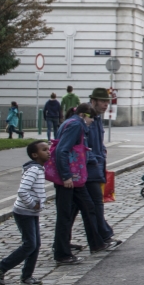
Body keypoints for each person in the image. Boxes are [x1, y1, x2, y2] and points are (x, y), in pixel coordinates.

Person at [0, 140, 50, 285]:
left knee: (35, 244)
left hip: (31, 212)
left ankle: (27, 276)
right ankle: (0, 268)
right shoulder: (34, 170)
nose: (48, 152)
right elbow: (22, 190)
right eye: (44, 150)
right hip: (24, 212)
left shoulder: (39, 168)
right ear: (35, 155)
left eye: (48, 149)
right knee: (30, 244)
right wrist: (32, 204)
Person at [51, 104, 107, 263]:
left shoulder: (71, 122)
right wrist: (66, 176)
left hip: (75, 177)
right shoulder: (76, 124)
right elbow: (62, 150)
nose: (92, 121)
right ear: (84, 115)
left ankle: (96, 243)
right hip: (69, 177)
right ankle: (62, 253)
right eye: (92, 118)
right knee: (65, 214)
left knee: (88, 207)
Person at [77, 88, 119, 247]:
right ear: (93, 101)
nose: (106, 105)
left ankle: (63, 243)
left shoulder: (97, 118)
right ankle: (103, 236)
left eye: (107, 102)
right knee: (95, 204)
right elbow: (83, 143)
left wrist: (102, 155)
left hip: (95, 168)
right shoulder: (87, 117)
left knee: (79, 208)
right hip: (87, 169)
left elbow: (98, 143)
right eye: (103, 102)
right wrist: (94, 159)